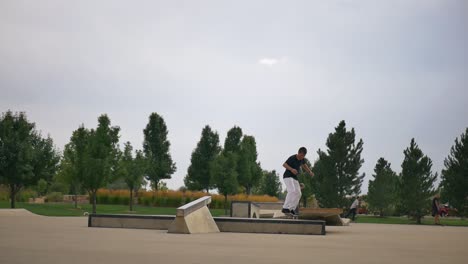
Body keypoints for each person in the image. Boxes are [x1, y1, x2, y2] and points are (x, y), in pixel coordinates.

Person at [281, 147, 314, 216]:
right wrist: (291, 169)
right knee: (292, 190)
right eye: (301, 155)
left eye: (303, 156)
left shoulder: (302, 159)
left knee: (299, 193)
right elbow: (284, 164)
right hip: (287, 176)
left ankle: (292, 209)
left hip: (294, 177)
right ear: (298, 153)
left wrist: (310, 172)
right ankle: (285, 208)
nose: (301, 157)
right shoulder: (292, 158)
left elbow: (304, 165)